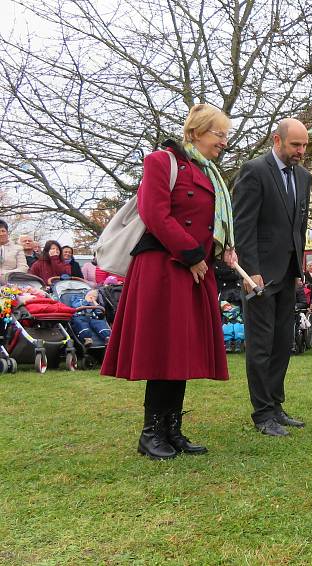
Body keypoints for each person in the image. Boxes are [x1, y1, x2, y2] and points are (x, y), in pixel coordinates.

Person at [101, 103, 237, 460]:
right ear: (195, 132)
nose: (223, 142)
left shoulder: (208, 174)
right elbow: (155, 214)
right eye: (218, 134)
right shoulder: (161, 162)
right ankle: (151, 433)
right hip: (164, 268)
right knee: (164, 351)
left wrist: (221, 250)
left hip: (194, 271)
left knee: (182, 352)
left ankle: (172, 429)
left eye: (226, 136)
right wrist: (191, 255)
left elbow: (210, 224)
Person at [233, 117, 311, 437]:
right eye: (295, 144)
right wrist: (251, 272)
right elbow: (243, 225)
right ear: (276, 141)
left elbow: (298, 227)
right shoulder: (255, 171)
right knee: (261, 345)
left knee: (282, 343)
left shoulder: (304, 177)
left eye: (305, 145)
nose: (301, 151)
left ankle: (276, 406)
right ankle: (262, 412)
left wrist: (299, 269)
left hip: (288, 275)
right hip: (260, 276)